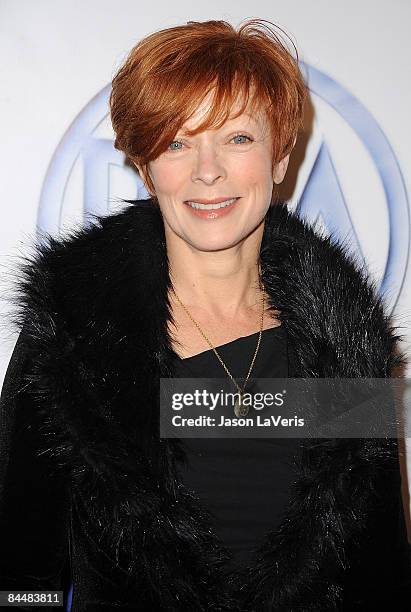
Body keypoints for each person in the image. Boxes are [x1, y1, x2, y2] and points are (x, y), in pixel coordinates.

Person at [1, 17, 410, 612]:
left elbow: (382, 577)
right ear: (146, 168)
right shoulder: (76, 337)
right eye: (176, 141)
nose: (207, 170)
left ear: (280, 158)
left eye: (238, 138)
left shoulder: (347, 347)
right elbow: (20, 574)